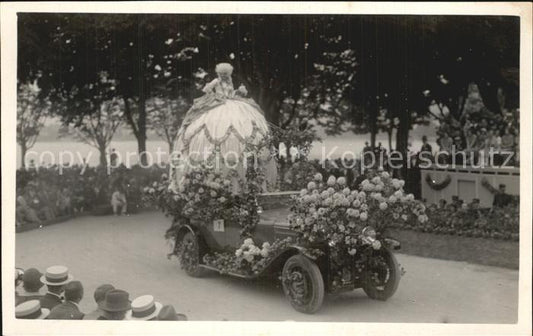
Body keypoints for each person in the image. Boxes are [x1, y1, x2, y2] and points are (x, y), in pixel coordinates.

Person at [169, 62, 277, 194]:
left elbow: (230, 92)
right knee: (214, 129)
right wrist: (215, 95)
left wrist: (239, 92)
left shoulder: (230, 81)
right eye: (222, 74)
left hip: (233, 104)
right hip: (218, 103)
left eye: (226, 74)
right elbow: (206, 90)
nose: (224, 76)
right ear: (219, 74)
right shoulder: (216, 81)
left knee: (246, 127)